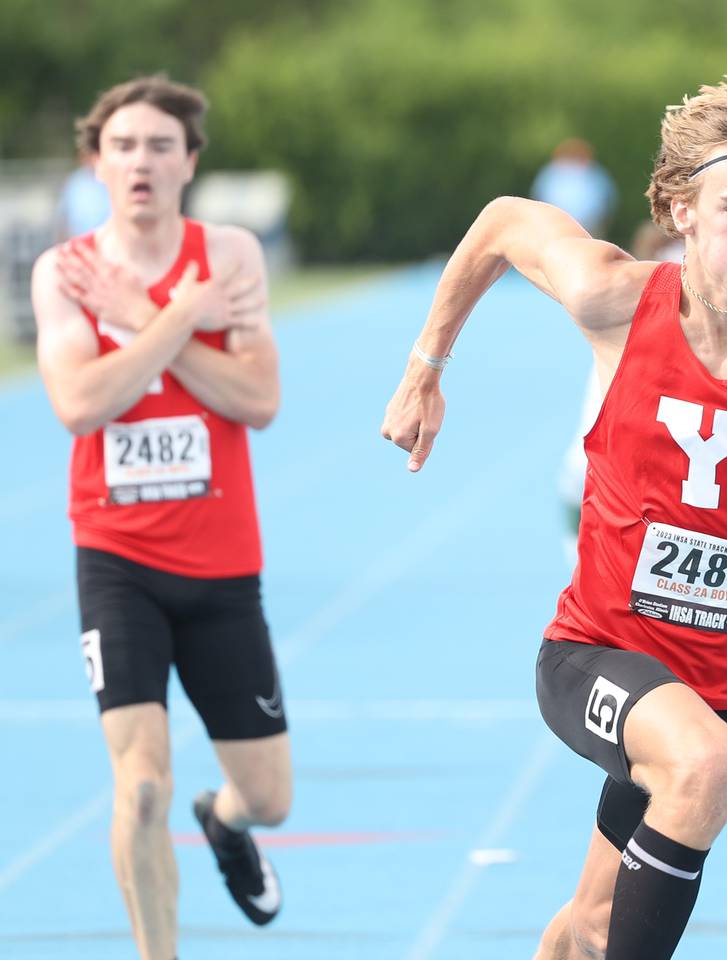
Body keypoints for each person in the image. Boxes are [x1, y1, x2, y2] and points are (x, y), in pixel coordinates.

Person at [381, 77, 727, 960]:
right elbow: (506, 221)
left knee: (590, 929)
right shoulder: (617, 297)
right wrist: (425, 366)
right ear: (680, 209)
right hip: (598, 654)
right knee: (708, 769)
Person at [29, 75, 289, 959]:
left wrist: (143, 317)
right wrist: (184, 318)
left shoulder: (232, 255)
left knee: (269, 798)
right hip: (116, 558)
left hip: (221, 565)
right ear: (96, 164)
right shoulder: (62, 273)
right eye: (125, 146)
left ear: (189, 163)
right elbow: (81, 403)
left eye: (160, 146)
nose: (142, 161)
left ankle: (221, 820)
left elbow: (258, 400)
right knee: (137, 788)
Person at [531, 137, 618, 238]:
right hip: (555, 226)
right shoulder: (550, 173)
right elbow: (538, 198)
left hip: (590, 226)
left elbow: (608, 201)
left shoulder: (596, 173)